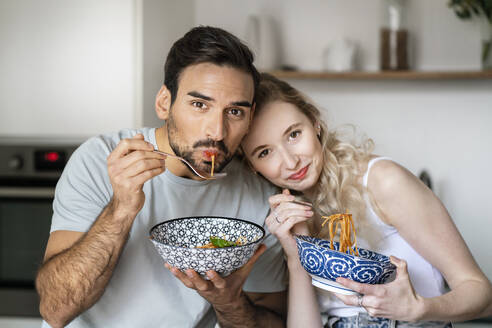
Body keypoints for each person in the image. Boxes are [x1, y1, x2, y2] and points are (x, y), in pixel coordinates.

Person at [35, 27, 288, 328]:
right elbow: (55, 309)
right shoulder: (100, 159)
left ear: (250, 116)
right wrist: (121, 209)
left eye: (234, 112)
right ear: (164, 103)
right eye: (199, 105)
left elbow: (272, 321)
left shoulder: (261, 197)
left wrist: (229, 302)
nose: (217, 132)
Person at [240, 73, 492, 328]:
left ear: (315, 122)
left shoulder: (383, 181)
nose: (291, 161)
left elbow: (482, 294)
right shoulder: (286, 216)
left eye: (294, 134)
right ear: (253, 166)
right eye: (265, 152)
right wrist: (296, 257)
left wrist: (420, 308)